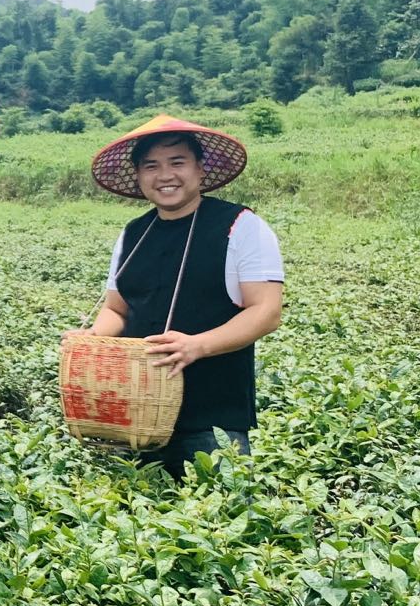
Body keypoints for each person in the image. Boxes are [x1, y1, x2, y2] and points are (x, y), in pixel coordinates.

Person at [84, 114, 284, 478]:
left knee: (220, 520)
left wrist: (197, 345)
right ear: (140, 175)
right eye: (152, 166)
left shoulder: (240, 225)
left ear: (200, 168)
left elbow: (266, 310)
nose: (165, 175)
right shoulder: (133, 233)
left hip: (211, 418)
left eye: (177, 162)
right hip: (135, 412)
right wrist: (91, 341)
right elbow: (117, 308)